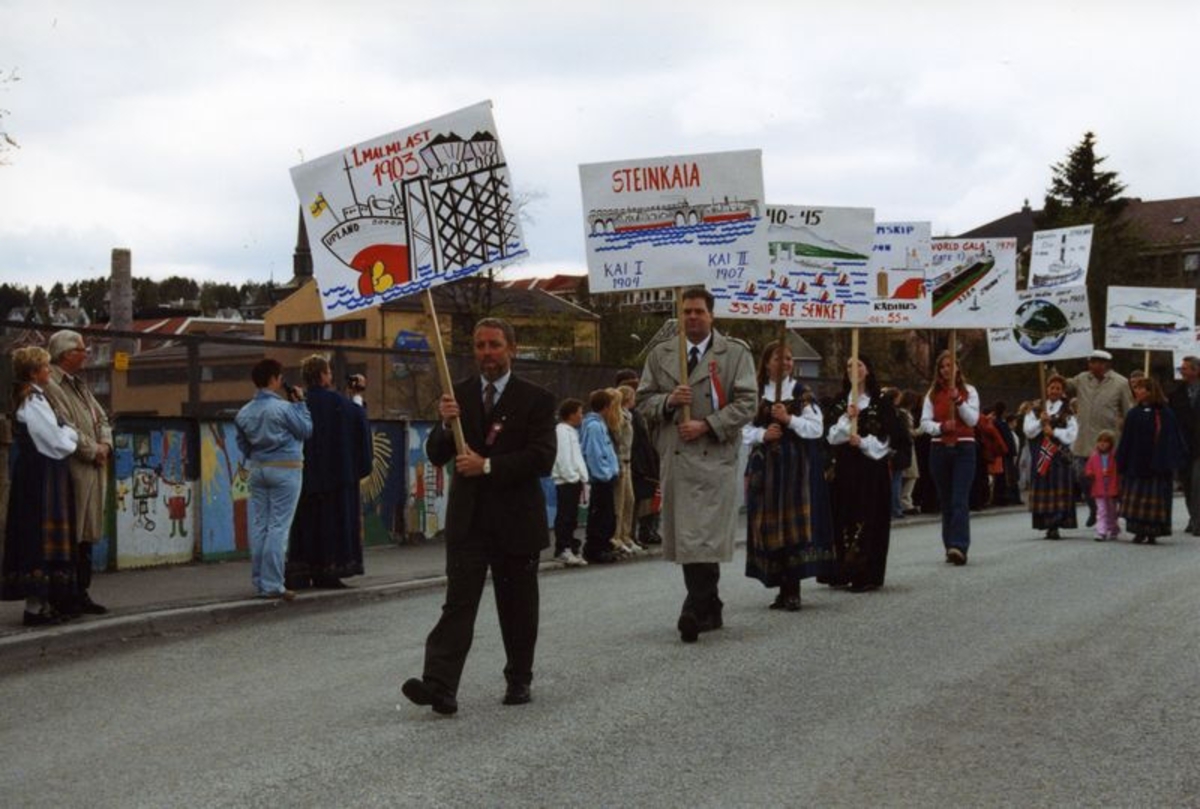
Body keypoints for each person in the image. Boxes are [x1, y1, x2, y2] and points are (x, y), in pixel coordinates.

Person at [402, 318, 556, 714]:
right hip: (469, 521)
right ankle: (440, 684)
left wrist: (488, 466)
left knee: (518, 605)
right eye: (480, 345)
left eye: (494, 345)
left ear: (512, 348)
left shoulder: (535, 399)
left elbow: (541, 458)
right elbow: (438, 453)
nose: (486, 353)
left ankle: (519, 678)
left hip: (516, 520)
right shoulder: (459, 396)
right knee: (458, 604)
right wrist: (442, 421)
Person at [636, 287, 756, 643]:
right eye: (686, 311)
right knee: (690, 536)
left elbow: (747, 402)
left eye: (698, 311)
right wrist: (669, 401)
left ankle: (694, 606)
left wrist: (708, 424)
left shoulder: (734, 354)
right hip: (676, 457)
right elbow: (643, 401)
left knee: (702, 535)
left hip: (713, 457)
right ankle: (710, 602)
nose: (691, 317)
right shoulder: (661, 355)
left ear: (711, 315)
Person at [742, 340, 832, 610]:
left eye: (790, 359)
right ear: (767, 363)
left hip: (795, 470)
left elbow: (816, 428)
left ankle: (793, 588)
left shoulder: (802, 394)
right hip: (766, 468)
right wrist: (762, 434)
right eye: (779, 358)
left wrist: (789, 420)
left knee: (793, 527)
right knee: (769, 526)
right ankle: (779, 585)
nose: (786, 363)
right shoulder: (755, 393)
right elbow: (741, 428)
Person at [2, 347, 80, 626]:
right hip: (41, 474)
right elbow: (56, 440)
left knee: (41, 535)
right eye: (45, 367)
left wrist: (64, 432)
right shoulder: (32, 400)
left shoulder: (34, 397)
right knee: (38, 536)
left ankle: (43, 604)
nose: (49, 371)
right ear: (34, 372)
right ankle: (34, 608)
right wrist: (71, 434)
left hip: (41, 472)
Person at [286, 355, 373, 590]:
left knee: (305, 524)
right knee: (334, 525)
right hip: (339, 477)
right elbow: (359, 423)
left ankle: (300, 570)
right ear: (324, 375)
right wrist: (356, 394)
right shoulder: (343, 405)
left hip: (305, 478)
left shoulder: (299, 405)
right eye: (329, 372)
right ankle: (330, 569)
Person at [42, 330, 111, 615]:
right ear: (66, 354)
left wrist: (105, 443)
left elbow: (102, 417)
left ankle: (81, 592)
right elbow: (64, 427)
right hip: (74, 468)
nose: (86, 354)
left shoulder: (80, 385)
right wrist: (92, 449)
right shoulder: (53, 386)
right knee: (72, 532)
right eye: (82, 350)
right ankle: (65, 595)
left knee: (86, 534)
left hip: (93, 467)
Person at [234, 358, 313, 600]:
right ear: (273, 379)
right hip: (287, 469)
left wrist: (258, 455)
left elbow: (242, 444)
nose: (281, 381)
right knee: (279, 526)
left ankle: (259, 580)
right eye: (279, 377)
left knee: (260, 525)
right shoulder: (284, 409)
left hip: (258, 469)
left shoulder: (243, 413)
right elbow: (305, 430)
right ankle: (273, 584)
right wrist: (300, 404)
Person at [826, 356, 898, 590]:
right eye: (848, 365)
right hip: (845, 468)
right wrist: (848, 419)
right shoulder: (839, 402)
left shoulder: (881, 402)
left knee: (869, 518)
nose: (852, 369)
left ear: (867, 370)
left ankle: (866, 573)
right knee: (843, 516)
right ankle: (842, 569)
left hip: (871, 469)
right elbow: (830, 436)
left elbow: (889, 439)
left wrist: (864, 442)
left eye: (857, 364)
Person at [919, 350, 980, 565]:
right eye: (942, 366)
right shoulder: (932, 393)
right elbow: (925, 423)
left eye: (950, 365)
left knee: (959, 499)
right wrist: (942, 427)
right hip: (940, 448)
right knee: (945, 501)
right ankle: (949, 545)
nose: (946, 369)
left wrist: (959, 401)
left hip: (964, 449)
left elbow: (973, 420)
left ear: (957, 367)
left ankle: (960, 545)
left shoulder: (969, 391)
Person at [1117, 376, 1186, 545]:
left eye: (1142, 388)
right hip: (1136, 464)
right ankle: (1138, 530)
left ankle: (1153, 531)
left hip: (1157, 465)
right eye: (1137, 388)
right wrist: (1121, 461)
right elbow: (1126, 439)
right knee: (1137, 498)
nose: (1137, 391)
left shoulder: (1164, 413)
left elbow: (1171, 438)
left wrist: (1166, 460)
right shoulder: (1133, 413)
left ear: (1150, 392)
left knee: (1154, 500)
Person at [1069, 350, 1134, 527]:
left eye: (1096, 362)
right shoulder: (1082, 378)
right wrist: (1049, 368)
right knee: (1082, 476)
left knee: (1110, 481)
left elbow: (1128, 410)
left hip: (1108, 441)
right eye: (1090, 362)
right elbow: (1064, 385)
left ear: (1106, 364)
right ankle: (1094, 507)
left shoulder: (1120, 383)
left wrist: (1129, 434)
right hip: (1084, 440)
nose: (1092, 366)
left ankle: (1112, 510)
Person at [1023, 375, 1078, 539]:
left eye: (1058, 389)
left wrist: (1054, 432)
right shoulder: (1036, 408)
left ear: (1062, 392)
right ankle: (1046, 523)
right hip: (1042, 456)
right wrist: (1040, 422)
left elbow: (1073, 433)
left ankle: (1056, 523)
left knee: (1058, 489)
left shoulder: (1067, 410)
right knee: (1044, 489)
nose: (1054, 391)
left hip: (1059, 457)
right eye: (1052, 388)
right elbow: (1028, 431)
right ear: (1047, 389)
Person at [615, 369, 661, 546]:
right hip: (632, 463)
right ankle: (627, 534)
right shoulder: (625, 416)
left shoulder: (637, 414)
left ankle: (641, 532)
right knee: (628, 503)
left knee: (643, 500)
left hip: (645, 462)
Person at [579, 388, 619, 563]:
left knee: (608, 514)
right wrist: (605, 473)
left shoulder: (600, 424)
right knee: (601, 515)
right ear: (606, 407)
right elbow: (594, 453)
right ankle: (596, 548)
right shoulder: (594, 426)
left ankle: (604, 545)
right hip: (601, 478)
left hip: (606, 476)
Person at [551, 398, 588, 567]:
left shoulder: (571, 431)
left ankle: (570, 547)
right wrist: (571, 476)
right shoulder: (562, 431)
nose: (582, 416)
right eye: (580, 412)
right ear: (571, 414)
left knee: (572, 516)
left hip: (574, 480)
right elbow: (563, 456)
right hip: (566, 480)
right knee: (565, 516)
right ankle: (562, 549)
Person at [1167, 356, 1200, 536]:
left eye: (1186, 368)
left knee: (1197, 485)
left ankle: (1198, 522)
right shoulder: (1176, 394)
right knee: (1187, 485)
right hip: (1184, 446)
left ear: (1196, 371)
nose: (1182, 371)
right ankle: (1193, 517)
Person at [611, 385, 645, 555]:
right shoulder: (619, 417)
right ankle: (617, 536)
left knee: (629, 500)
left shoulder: (629, 416)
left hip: (628, 461)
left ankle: (626, 535)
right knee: (620, 501)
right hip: (621, 461)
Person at [1083, 430, 1121, 542]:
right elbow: (1088, 468)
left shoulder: (1114, 456)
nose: (1102, 444)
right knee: (1101, 510)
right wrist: (1090, 473)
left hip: (1111, 487)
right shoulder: (1094, 456)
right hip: (1098, 487)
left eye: (1106, 441)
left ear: (1111, 443)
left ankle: (1113, 528)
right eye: (1100, 441)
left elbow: (1119, 471)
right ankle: (1101, 531)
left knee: (1112, 510)